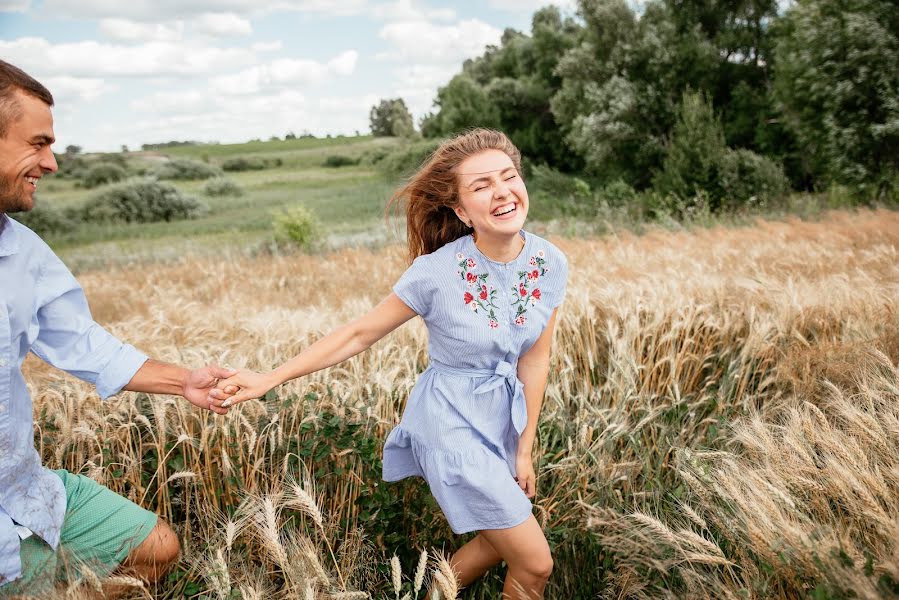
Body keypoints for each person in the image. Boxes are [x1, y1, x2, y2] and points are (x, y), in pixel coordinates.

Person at [211, 128, 568, 598]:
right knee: (535, 562)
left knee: (497, 541)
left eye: (509, 176)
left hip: (503, 417)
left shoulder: (550, 262)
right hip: (451, 420)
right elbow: (358, 333)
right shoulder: (435, 272)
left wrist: (524, 447)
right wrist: (269, 378)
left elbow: (535, 358)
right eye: (482, 185)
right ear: (461, 210)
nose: (502, 191)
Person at [0, 60, 235, 597]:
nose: (52, 162)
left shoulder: (20, 249)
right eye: (37, 143)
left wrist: (185, 382)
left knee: (153, 548)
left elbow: (81, 341)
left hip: (23, 487)